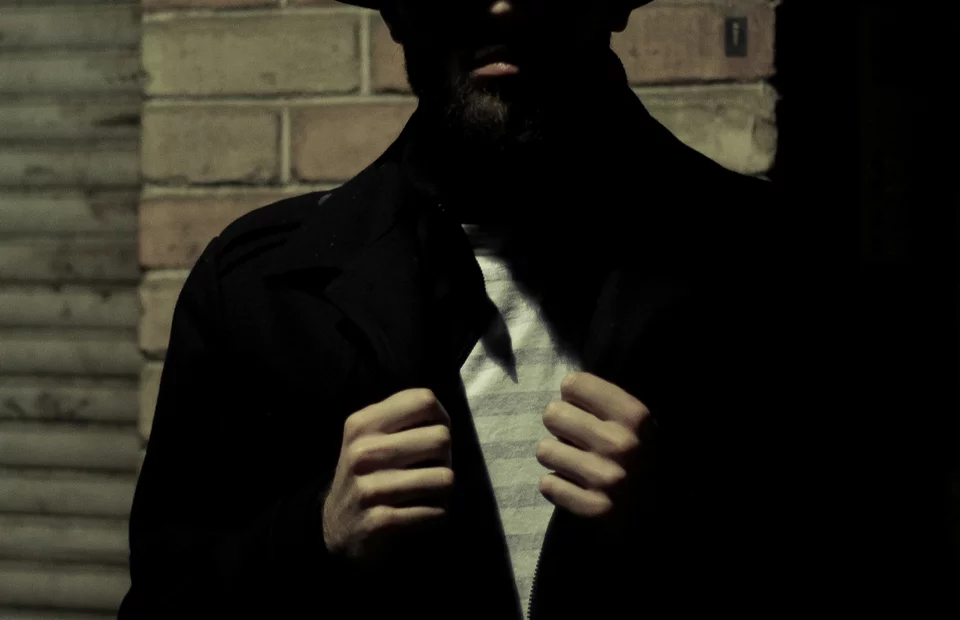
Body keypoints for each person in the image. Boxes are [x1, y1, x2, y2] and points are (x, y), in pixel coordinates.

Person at [119, 1, 812, 618]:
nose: (502, 4)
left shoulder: (773, 268)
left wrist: (681, 531)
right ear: (397, 11)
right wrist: (316, 534)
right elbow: (164, 600)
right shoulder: (258, 288)